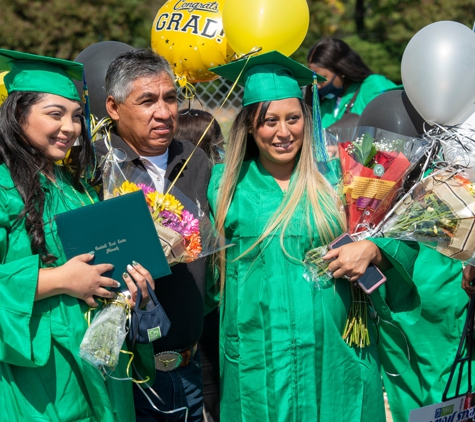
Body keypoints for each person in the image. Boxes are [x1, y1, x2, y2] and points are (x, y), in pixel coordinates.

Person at [208, 50, 422, 421]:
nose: (283, 132)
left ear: (306, 120)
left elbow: (402, 232)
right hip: (259, 354)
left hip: (333, 350)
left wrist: (372, 249)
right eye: (269, 121)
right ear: (248, 127)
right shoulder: (223, 186)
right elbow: (208, 274)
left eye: (293, 119)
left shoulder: (339, 173)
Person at [0, 49, 152, 421]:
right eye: (55, 114)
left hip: (98, 356)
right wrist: (59, 280)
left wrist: (130, 282)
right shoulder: (3, 188)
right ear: (18, 114)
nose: (70, 128)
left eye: (77, 116)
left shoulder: (75, 186)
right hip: (41, 375)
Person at [95, 48, 211, 421]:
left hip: (189, 370)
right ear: (113, 107)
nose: (164, 112)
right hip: (122, 377)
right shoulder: (94, 167)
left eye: (170, 98)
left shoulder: (197, 162)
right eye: (147, 101)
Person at [176, 108, 223, 422]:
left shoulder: (193, 184)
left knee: (206, 373)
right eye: (217, 139)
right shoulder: (212, 184)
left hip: (198, 296)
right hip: (213, 298)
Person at [306, 38, 397, 128]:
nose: (317, 86)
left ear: (341, 70)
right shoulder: (324, 104)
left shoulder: (374, 85)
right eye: (313, 80)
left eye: (321, 79)